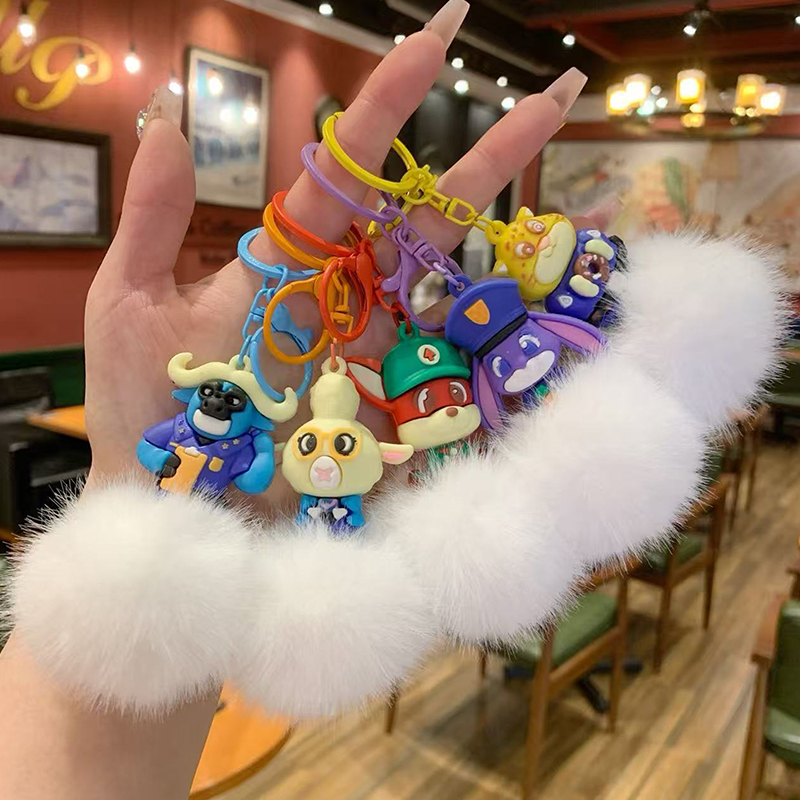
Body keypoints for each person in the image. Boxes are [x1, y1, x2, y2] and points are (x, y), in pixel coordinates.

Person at [0, 2, 595, 797]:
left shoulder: (283, 441)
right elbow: (181, 453)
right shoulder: (231, 433)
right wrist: (137, 479)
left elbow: (253, 465)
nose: (221, 404)